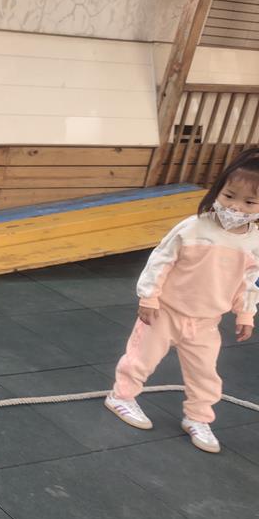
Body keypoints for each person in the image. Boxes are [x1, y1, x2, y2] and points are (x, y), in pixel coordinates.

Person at [105, 148, 259, 453]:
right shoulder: (193, 227)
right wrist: (149, 297)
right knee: (140, 359)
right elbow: (160, 260)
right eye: (229, 196)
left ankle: (198, 417)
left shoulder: (253, 243)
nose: (235, 207)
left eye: (249, 202)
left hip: (206, 321)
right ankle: (121, 396)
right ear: (217, 191)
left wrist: (245, 314)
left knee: (205, 374)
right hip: (164, 312)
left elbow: (250, 282)